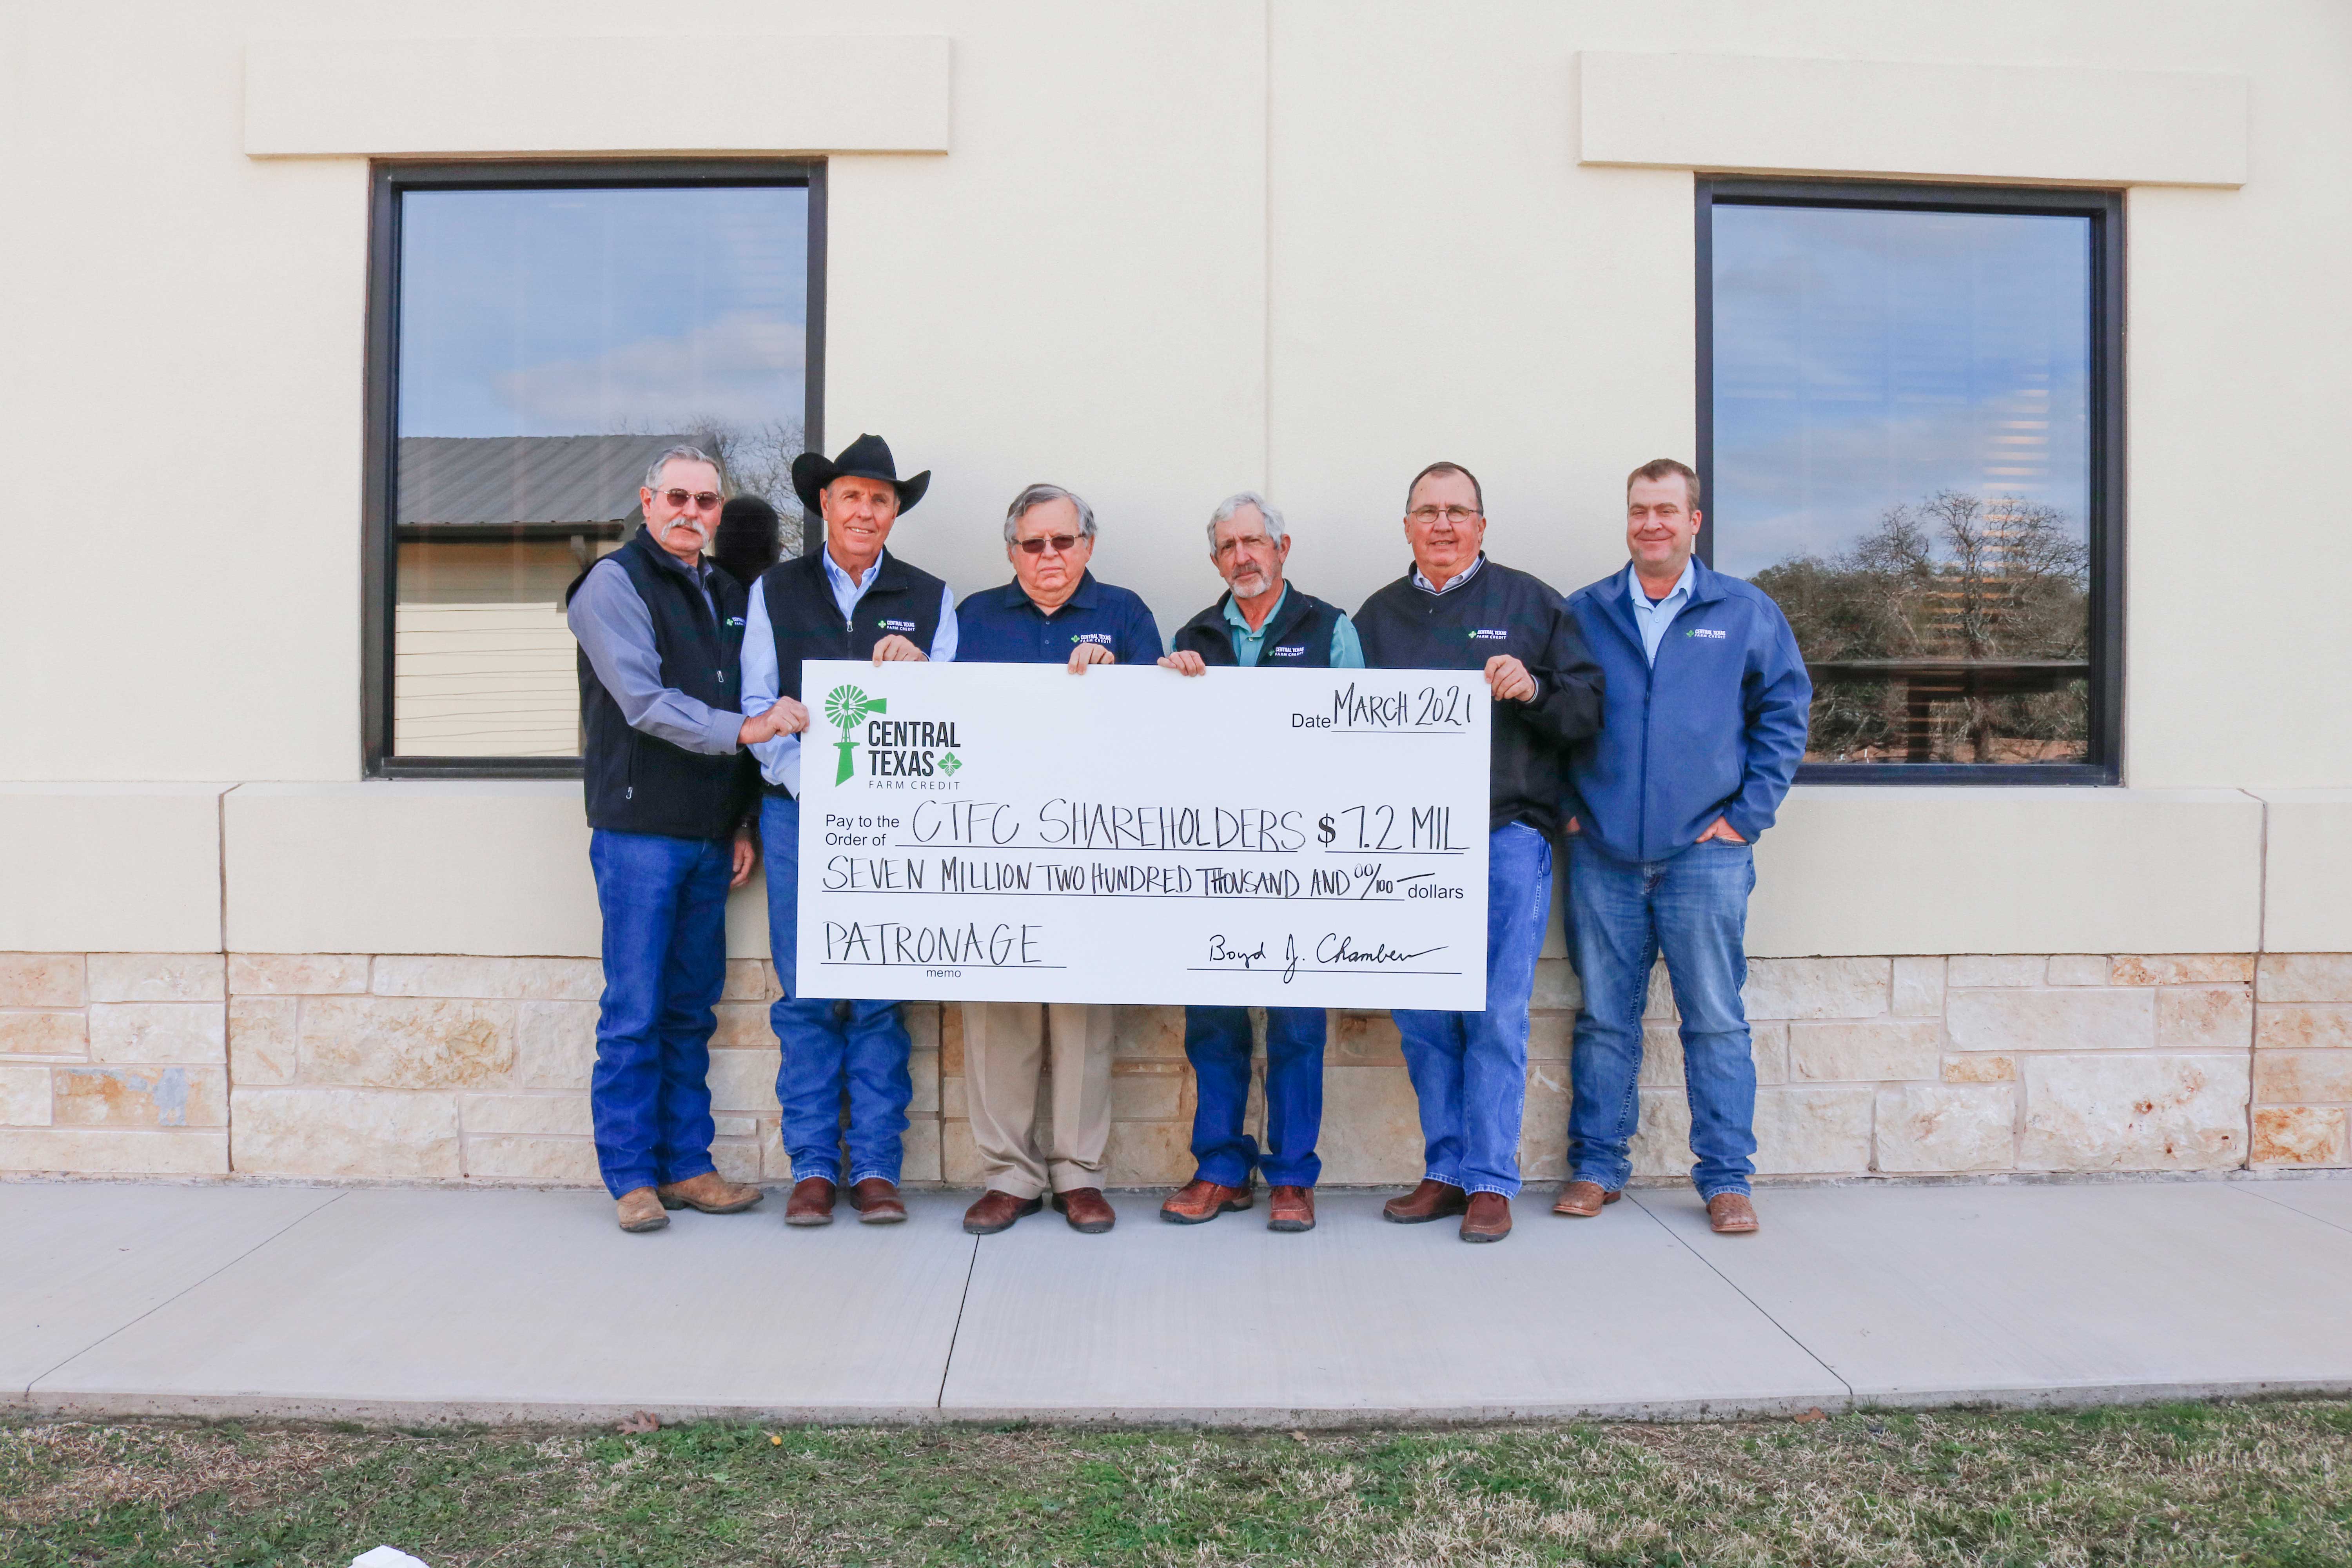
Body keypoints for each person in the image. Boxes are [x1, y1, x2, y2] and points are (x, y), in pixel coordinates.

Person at [1353, 461, 1604, 1243]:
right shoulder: (1376, 618)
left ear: (1482, 525)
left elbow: (1589, 707)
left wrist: (1533, 688)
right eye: (1426, 511)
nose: (1442, 525)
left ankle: (1493, 1179)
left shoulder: (1532, 603)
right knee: (1426, 1017)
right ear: (1406, 527)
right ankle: (1447, 1168)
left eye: (1458, 511)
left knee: (1497, 1013)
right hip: (1406, 847)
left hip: (1503, 837)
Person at [1557, 459, 1809, 1236]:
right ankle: (1598, 1166)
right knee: (1605, 1018)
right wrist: (1569, 808)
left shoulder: (1743, 609)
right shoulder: (1586, 610)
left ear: (1694, 520)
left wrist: (1745, 817)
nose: (1651, 523)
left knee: (1715, 1020)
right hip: (1602, 852)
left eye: (1667, 509)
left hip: (1706, 854)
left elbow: (1785, 712)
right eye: (1639, 509)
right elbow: (1553, 713)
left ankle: (1727, 1177)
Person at [567, 444, 806, 1233]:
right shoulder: (613, 584)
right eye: (678, 497)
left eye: (707, 502)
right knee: (635, 1009)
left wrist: (740, 819)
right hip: (639, 833)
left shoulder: (728, 591)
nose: (691, 512)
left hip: (708, 837)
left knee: (688, 1010)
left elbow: (742, 692)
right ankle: (632, 1175)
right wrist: (745, 729)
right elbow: (644, 700)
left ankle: (688, 1165)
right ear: (646, 500)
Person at [740, 434, 957, 1229]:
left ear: (895, 512)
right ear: (824, 505)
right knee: (807, 996)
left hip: (895, 828)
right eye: (851, 496)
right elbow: (761, 707)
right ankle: (812, 1167)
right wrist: (811, 784)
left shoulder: (932, 597)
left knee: (876, 996)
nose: (865, 510)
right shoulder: (776, 589)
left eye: (881, 498)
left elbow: (952, 725)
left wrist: (921, 675)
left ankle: (873, 1166)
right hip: (800, 815)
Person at [952, 483, 1163, 1236]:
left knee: (1082, 1017)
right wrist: (902, 674)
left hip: (1092, 847)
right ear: (1012, 551)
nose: (1050, 556)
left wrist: (1132, 679)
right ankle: (1009, 1175)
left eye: (1063, 541)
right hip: (994, 848)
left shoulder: (1128, 613)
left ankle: (1079, 1175)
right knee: (999, 1014)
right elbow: (938, 719)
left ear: (1089, 546)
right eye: (1033, 544)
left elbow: (1169, 726)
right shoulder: (972, 617)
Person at [1155, 491, 1363, 1234]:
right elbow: (1164, 748)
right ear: (1215, 560)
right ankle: (1220, 1169)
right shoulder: (1194, 634)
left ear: (1282, 548)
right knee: (1214, 1021)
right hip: (1212, 859)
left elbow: (1359, 742)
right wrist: (1164, 684)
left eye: (1255, 542)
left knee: (1298, 1024)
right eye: (1228, 546)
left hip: (1302, 862)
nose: (1243, 556)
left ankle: (1292, 1177)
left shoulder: (1331, 629)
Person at [713, 494, 782, 590]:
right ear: (768, 550)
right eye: (776, 542)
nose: (781, 548)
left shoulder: (700, 584)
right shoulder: (750, 599)